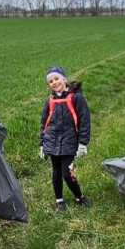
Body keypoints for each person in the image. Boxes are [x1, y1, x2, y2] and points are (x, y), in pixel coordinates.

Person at [39, 66, 92, 210]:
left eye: (56, 79)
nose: (54, 83)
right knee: (56, 172)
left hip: (70, 142)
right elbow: (44, 122)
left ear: (64, 79)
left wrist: (82, 143)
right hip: (52, 141)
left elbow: (84, 120)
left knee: (66, 173)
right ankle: (59, 200)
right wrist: (42, 144)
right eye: (50, 81)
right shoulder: (49, 100)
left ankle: (79, 197)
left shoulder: (76, 98)